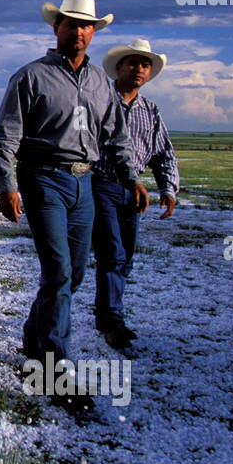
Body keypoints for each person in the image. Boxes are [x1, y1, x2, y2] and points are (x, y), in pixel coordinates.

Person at [0, 0, 140, 413]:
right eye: (71, 23)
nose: (78, 31)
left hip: (85, 184)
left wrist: (132, 179)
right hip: (43, 180)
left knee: (72, 276)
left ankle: (33, 342)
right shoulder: (30, 77)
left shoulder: (99, 84)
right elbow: (5, 137)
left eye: (86, 25)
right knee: (57, 273)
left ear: (94, 33)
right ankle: (55, 374)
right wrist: (7, 185)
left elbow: (116, 136)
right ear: (56, 27)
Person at [91, 39, 180, 350]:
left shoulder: (150, 110)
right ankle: (112, 320)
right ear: (119, 68)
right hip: (100, 183)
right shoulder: (99, 101)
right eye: (133, 63)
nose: (140, 69)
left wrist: (168, 188)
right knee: (112, 252)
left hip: (134, 191)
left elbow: (163, 153)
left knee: (125, 256)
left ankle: (108, 312)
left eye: (145, 65)